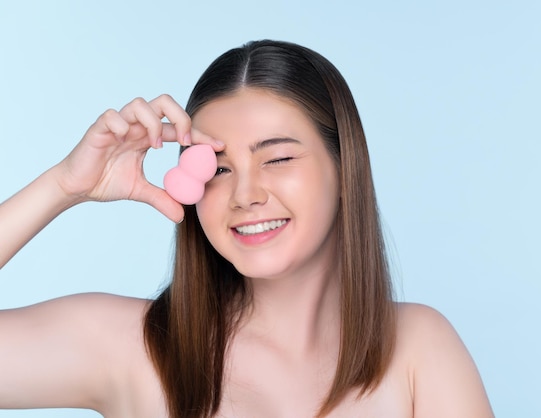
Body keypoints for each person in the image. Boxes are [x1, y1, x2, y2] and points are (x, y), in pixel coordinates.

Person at [0, 40, 494, 418]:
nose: (245, 195)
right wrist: (65, 186)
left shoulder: (417, 347)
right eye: (217, 169)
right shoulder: (126, 345)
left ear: (346, 171)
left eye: (277, 158)